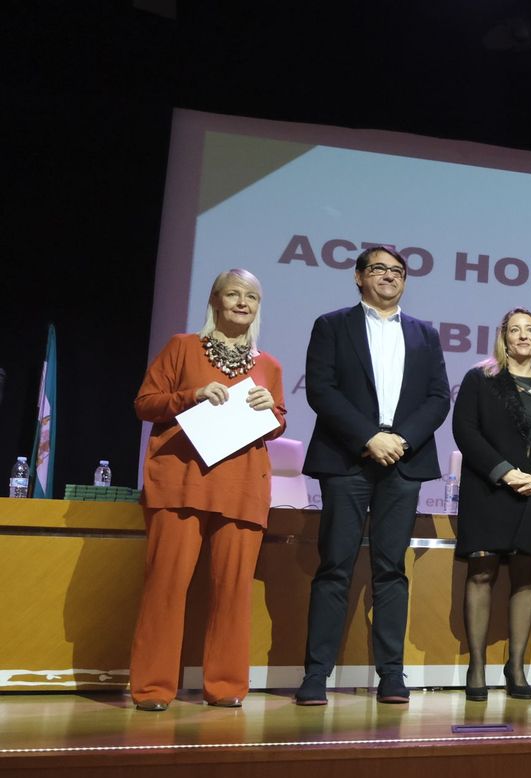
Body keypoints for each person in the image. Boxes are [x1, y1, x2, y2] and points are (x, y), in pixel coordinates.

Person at [296, 247, 451, 705]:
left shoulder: (424, 333)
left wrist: (399, 439)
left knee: (391, 571)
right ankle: (316, 675)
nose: (389, 276)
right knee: (335, 568)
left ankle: (391, 675)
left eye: (397, 271)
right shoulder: (332, 325)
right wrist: (369, 437)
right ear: (359, 277)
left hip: (404, 460)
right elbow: (321, 389)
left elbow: (439, 397)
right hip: (347, 459)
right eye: (379, 269)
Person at [128, 268, 286, 711]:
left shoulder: (269, 365)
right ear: (215, 300)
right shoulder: (182, 347)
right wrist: (191, 395)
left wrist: (269, 409)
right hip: (181, 481)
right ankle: (153, 688)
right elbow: (145, 404)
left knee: (233, 592)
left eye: (251, 296)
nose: (242, 302)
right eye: (233, 294)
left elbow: (277, 424)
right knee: (165, 586)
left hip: (240, 489)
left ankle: (226, 685)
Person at [453, 309, 531, 701]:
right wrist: (506, 472)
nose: (523, 336)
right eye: (515, 330)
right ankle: (476, 666)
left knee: (526, 577)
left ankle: (516, 665)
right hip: (489, 491)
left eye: (530, 330)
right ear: (503, 338)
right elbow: (465, 431)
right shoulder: (480, 379)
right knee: (482, 574)